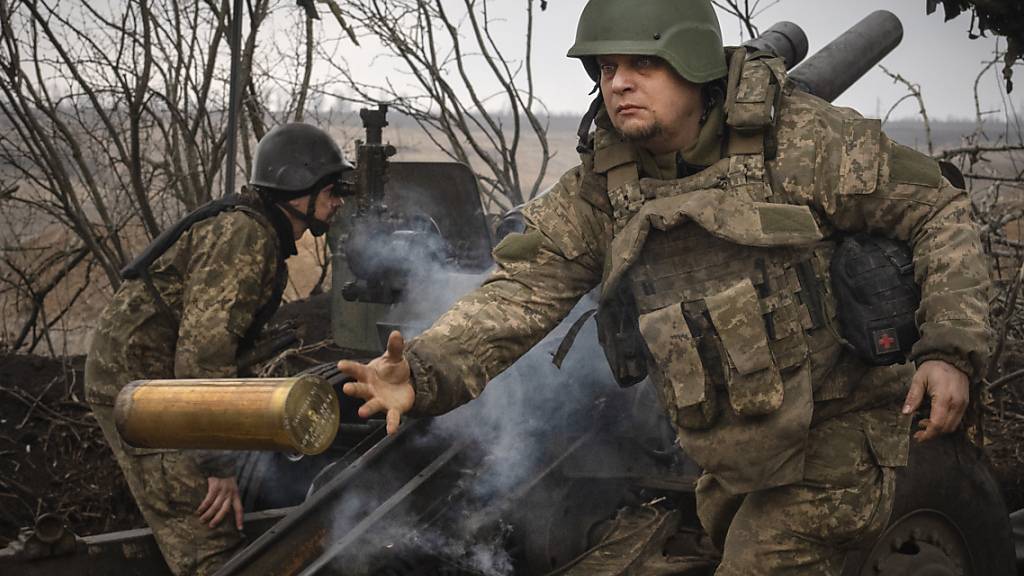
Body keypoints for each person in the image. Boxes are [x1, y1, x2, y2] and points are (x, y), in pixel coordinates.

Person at [338, 1, 991, 574]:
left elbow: (936, 207)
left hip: (840, 435)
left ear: (694, 63)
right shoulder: (605, 189)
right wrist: (422, 370)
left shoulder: (801, 141)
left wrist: (950, 349)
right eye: (604, 68)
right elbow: (516, 295)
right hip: (735, 457)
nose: (617, 83)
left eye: (640, 64)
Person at [85, 123, 351, 576]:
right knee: (209, 544)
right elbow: (201, 359)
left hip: (160, 383)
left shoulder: (256, 230)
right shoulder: (244, 235)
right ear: (296, 189)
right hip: (143, 394)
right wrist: (218, 465)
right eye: (331, 190)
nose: (339, 201)